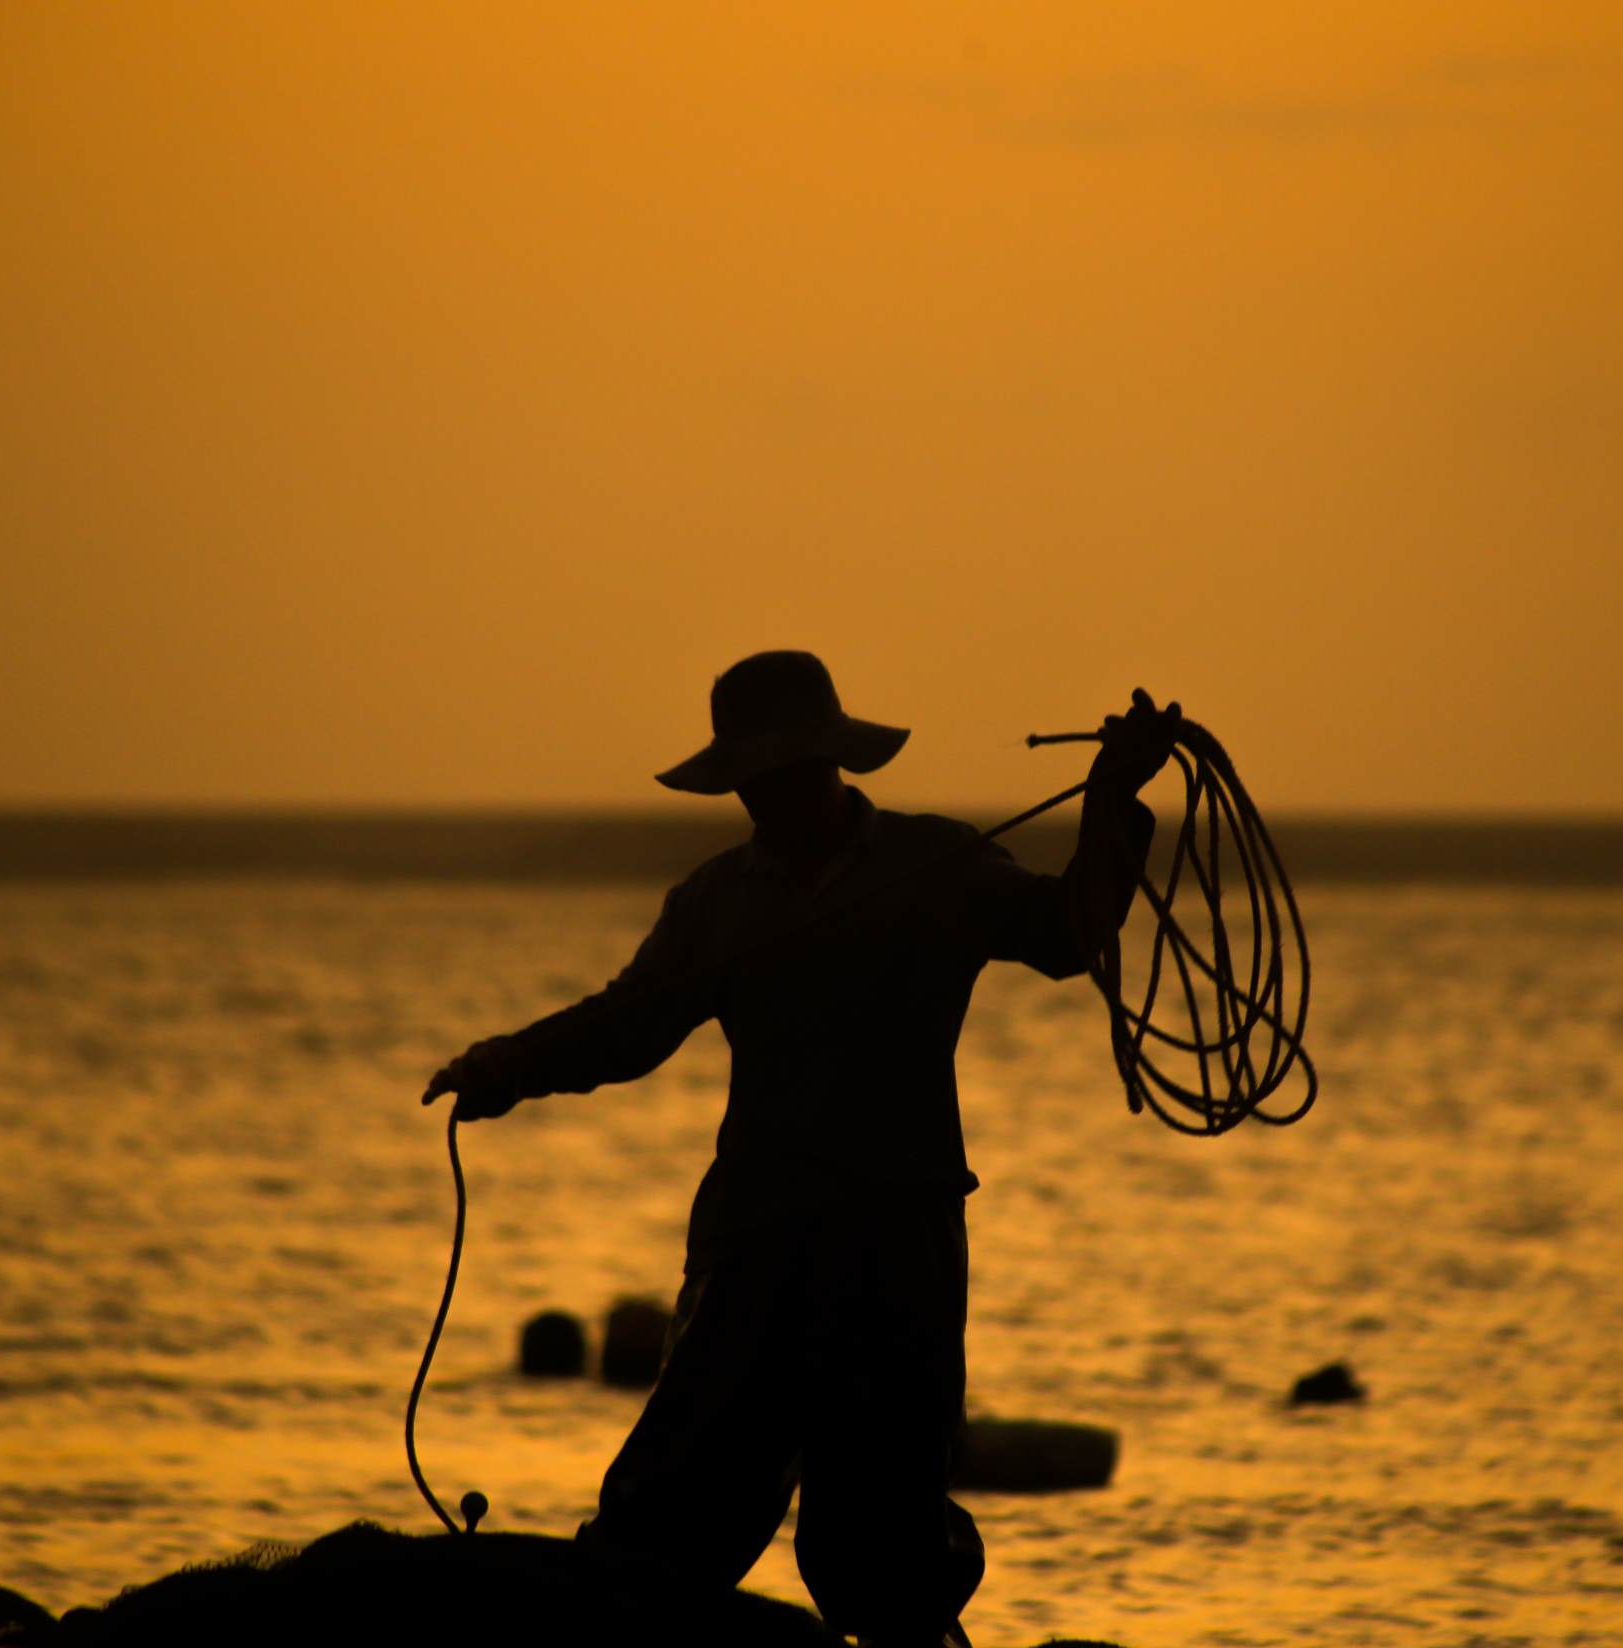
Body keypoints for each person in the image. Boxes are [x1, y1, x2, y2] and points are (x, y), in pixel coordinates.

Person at [422, 651, 1177, 1648]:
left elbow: (1064, 932)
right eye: (750, 781)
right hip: (757, 1240)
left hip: (896, 1238)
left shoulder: (936, 865)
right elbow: (628, 1025)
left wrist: (1114, 804)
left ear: (827, 763)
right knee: (675, 1504)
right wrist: (503, 1067)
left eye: (780, 774)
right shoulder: (717, 901)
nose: (763, 797)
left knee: (881, 1536)